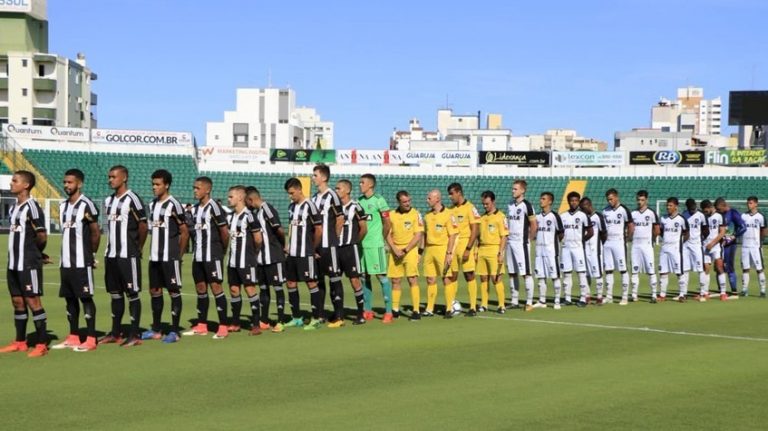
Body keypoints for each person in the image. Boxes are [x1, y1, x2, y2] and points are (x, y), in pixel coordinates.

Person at [0, 171, 50, 358]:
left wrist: (36, 254)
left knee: (33, 301)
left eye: (15, 181)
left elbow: (42, 235)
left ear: (26, 185)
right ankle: (20, 342)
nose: (11, 183)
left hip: (28, 263)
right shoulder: (14, 207)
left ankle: (42, 344)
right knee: (17, 301)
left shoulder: (32, 207)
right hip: (13, 263)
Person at [51, 169, 100, 352]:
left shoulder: (87, 205)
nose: (66, 185)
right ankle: (73, 336)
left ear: (79, 184)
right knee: (69, 299)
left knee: (85, 298)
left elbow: (95, 232)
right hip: (65, 262)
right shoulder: (63, 206)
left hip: (81, 262)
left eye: (70, 182)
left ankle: (91, 338)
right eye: (65, 182)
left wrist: (91, 255)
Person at [99, 166, 148, 347]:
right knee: (115, 294)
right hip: (111, 254)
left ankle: (134, 334)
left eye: (114, 177)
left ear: (124, 177)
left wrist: (138, 247)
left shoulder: (133, 199)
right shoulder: (108, 200)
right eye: (109, 177)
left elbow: (143, 226)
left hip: (128, 254)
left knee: (132, 293)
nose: (110, 180)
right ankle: (115, 332)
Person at [142, 169, 188, 344]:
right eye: (153, 184)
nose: (154, 187)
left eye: (157, 184)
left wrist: (179, 255)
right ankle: (156, 329)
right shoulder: (152, 205)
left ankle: (175, 331)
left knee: (173, 291)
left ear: (166, 185)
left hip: (170, 257)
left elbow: (184, 232)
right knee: (155, 291)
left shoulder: (174, 204)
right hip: (154, 257)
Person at [183, 176, 230, 339]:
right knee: (201, 289)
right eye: (194, 188)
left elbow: (225, 232)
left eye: (198, 188)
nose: (195, 191)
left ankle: (223, 326)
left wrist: (221, 251)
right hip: (198, 257)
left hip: (213, 255)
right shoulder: (195, 210)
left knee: (216, 288)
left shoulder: (215, 207)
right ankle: (202, 325)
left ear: (207, 189)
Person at [284, 177, 324, 330]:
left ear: (299, 189)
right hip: (292, 253)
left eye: (292, 193)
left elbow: (319, 229)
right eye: (288, 193)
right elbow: (291, 227)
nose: (290, 196)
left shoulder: (310, 206)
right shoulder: (291, 207)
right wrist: (288, 245)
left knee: (311, 283)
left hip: (305, 252)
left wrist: (312, 248)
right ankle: (296, 318)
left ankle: (317, 318)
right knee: (290, 283)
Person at [246, 187, 288, 332]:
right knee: (263, 288)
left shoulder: (267, 209)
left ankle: (280, 321)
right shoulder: (257, 213)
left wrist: (283, 245)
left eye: (247, 201)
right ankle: (264, 319)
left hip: (274, 256)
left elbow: (279, 229)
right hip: (261, 258)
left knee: (278, 288)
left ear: (251, 199)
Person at [226, 186, 263, 336]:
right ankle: (235, 323)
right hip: (232, 261)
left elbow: (258, 239)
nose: (228, 199)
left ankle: (256, 325)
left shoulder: (249, 216)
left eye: (231, 197)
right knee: (234, 290)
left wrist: (253, 254)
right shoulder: (230, 217)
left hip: (246, 260)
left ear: (240, 197)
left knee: (250, 289)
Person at [310, 164, 345, 323]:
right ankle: (320, 314)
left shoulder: (332, 196)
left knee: (334, 278)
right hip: (317, 245)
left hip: (329, 244)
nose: (313, 178)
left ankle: (339, 315)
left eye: (315, 175)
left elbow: (340, 218)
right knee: (318, 279)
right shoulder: (314, 198)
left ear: (324, 177)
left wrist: (334, 238)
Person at [357, 174, 394, 321]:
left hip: (375, 245)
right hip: (362, 245)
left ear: (370, 185)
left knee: (381, 276)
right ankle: (368, 310)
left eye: (362, 182)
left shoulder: (379, 200)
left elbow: (387, 223)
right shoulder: (359, 201)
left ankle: (389, 312)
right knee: (363, 276)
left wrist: (381, 239)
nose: (360, 185)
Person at [332, 179, 368, 326]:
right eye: (335, 188)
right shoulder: (334, 207)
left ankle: (360, 314)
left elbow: (363, 228)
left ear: (347, 190)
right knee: (335, 280)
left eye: (339, 188)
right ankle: (338, 314)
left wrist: (354, 241)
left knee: (354, 280)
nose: (336, 191)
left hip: (349, 248)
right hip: (336, 249)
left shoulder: (355, 207)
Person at [386, 190, 424, 321]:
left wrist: (405, 250)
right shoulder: (391, 215)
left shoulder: (416, 214)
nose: (408, 204)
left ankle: (416, 310)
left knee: (412, 279)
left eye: (409, 201)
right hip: (395, 251)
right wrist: (394, 249)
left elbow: (418, 235)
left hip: (410, 250)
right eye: (404, 202)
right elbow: (387, 234)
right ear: (398, 202)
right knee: (395, 280)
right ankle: (395, 309)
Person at [422, 189, 458, 317]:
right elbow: (424, 235)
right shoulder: (427, 216)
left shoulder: (448, 214)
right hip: (429, 250)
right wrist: (421, 251)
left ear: (437, 199)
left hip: (442, 249)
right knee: (430, 279)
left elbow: (452, 235)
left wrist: (449, 253)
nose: (427, 200)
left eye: (429, 198)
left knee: (446, 278)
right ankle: (429, 309)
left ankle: (449, 308)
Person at [446, 182, 481, 316]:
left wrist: (468, 248)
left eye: (452, 194)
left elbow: (475, 229)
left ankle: (472, 307)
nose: (450, 197)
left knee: (469, 274)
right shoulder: (450, 210)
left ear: (459, 192)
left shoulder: (470, 207)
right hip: (453, 246)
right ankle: (450, 306)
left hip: (466, 244)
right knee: (452, 276)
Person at [506, 180, 537, 309]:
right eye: (512, 189)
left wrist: (529, 239)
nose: (513, 191)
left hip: (521, 243)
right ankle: (514, 301)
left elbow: (534, 225)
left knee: (526, 273)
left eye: (515, 189)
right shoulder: (510, 204)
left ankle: (529, 302)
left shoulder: (527, 205)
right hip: (510, 242)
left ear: (522, 190)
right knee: (512, 272)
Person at [476, 191, 508, 313]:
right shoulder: (482, 217)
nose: (485, 206)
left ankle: (501, 305)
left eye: (487, 204)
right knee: (483, 278)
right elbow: (478, 236)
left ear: (493, 201)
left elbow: (504, 236)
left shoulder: (501, 216)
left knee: (496, 278)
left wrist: (501, 252)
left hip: (494, 249)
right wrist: (476, 250)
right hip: (482, 249)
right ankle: (484, 304)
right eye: (483, 204)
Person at [559, 191, 592, 307]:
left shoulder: (583, 216)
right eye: (571, 200)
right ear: (568, 202)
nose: (573, 202)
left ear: (578, 202)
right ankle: (567, 298)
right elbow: (560, 232)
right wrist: (562, 239)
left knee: (581, 273)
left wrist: (581, 240)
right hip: (566, 248)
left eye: (576, 201)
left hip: (578, 249)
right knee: (566, 273)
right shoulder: (563, 216)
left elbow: (590, 232)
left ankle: (583, 298)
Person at [532, 192, 564, 310]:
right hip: (539, 251)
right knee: (540, 276)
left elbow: (561, 233)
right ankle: (542, 300)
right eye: (541, 198)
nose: (541, 200)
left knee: (555, 276)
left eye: (544, 199)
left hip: (551, 252)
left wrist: (553, 244)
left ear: (550, 201)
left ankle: (557, 301)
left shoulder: (555, 216)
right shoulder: (537, 217)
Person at [601, 188, 633, 304]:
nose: (609, 201)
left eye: (611, 199)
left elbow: (630, 225)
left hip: (619, 242)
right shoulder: (605, 211)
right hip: (607, 243)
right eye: (608, 199)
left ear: (616, 197)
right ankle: (609, 296)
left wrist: (627, 238)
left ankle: (624, 297)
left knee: (623, 269)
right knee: (608, 270)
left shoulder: (623, 209)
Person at [630, 190, 659, 303]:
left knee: (651, 270)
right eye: (638, 200)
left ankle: (654, 295)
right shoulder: (633, 213)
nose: (640, 202)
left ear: (646, 200)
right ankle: (634, 295)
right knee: (634, 271)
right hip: (635, 245)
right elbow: (630, 227)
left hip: (647, 245)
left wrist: (652, 239)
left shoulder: (651, 213)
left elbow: (657, 229)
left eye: (642, 200)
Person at [659, 198, 689, 302]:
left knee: (679, 272)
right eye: (667, 205)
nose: (668, 207)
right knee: (663, 272)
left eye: (670, 205)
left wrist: (680, 242)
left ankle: (682, 294)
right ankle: (662, 295)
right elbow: (661, 231)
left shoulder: (681, 219)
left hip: (676, 249)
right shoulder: (663, 218)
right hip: (664, 248)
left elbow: (686, 233)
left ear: (676, 206)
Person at [715, 198, 746, 295]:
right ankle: (721, 290)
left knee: (728, 267)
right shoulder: (718, 214)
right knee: (718, 267)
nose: (718, 211)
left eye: (719, 209)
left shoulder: (733, 213)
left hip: (729, 245)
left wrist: (733, 237)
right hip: (719, 244)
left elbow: (743, 227)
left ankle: (734, 290)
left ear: (724, 206)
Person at [701, 200, 729, 301]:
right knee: (706, 268)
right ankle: (705, 292)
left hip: (716, 246)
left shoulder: (719, 216)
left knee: (719, 267)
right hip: (705, 246)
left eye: (705, 210)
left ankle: (723, 292)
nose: (705, 213)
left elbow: (722, 232)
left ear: (710, 207)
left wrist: (712, 243)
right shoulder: (703, 217)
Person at [580, 197, 606, 304]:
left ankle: (599, 296)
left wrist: (601, 245)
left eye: (583, 207)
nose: (582, 209)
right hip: (584, 249)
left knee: (598, 273)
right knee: (586, 273)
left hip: (596, 250)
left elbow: (604, 233)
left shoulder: (598, 216)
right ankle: (587, 295)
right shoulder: (582, 217)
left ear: (589, 205)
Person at [682, 199, 708, 300]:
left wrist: (702, 239)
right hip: (685, 245)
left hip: (697, 245)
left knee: (700, 269)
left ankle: (702, 293)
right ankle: (683, 293)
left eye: (694, 208)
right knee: (685, 269)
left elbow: (706, 230)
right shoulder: (684, 215)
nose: (693, 210)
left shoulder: (701, 215)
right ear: (687, 208)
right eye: (691, 209)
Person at [740, 196, 766, 297]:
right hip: (745, 246)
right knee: (745, 268)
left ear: (756, 204)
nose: (748, 205)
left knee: (759, 268)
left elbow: (764, 230)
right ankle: (744, 289)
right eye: (748, 203)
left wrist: (760, 242)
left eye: (750, 203)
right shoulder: (743, 216)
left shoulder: (760, 216)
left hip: (756, 247)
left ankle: (762, 290)